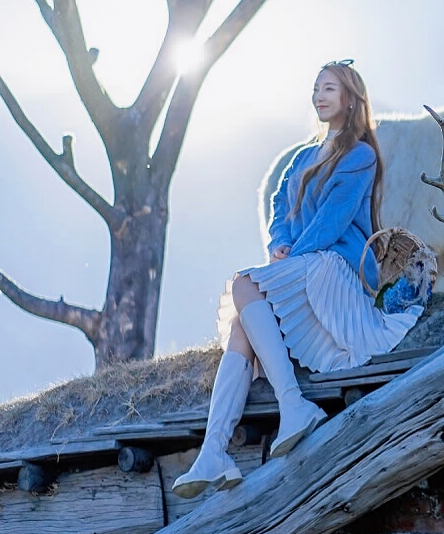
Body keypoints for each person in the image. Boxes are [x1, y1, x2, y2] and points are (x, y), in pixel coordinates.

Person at [173, 60, 425, 498]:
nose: (319, 96)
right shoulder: (303, 156)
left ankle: (293, 404)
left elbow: (332, 223)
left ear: (350, 98)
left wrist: (292, 256)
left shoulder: (361, 156)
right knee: (241, 324)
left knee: (245, 286)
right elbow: (279, 205)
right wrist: (280, 244)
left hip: (336, 269)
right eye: (316, 88)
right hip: (305, 261)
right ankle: (214, 451)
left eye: (329, 88)